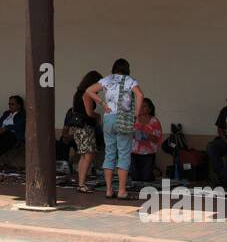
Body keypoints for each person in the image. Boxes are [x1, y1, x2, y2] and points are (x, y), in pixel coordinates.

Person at [85, 59, 144, 199]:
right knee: (123, 153)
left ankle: (109, 190)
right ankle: (122, 191)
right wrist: (136, 114)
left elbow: (89, 91)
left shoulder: (107, 79)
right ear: (127, 69)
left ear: (114, 68)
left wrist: (102, 103)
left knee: (110, 153)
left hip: (108, 118)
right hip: (123, 118)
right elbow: (140, 95)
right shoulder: (130, 80)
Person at [67, 71, 103, 193]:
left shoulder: (78, 93)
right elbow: (89, 113)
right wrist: (97, 115)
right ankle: (82, 183)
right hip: (85, 127)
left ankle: (81, 182)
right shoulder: (86, 94)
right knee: (88, 155)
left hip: (79, 127)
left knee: (84, 155)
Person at [130, 97, 163, 184]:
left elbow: (157, 139)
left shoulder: (154, 121)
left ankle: (154, 172)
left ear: (150, 109)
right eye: (139, 106)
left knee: (146, 178)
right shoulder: (133, 119)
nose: (141, 108)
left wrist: (146, 134)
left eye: (144, 106)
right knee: (135, 177)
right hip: (133, 153)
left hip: (148, 153)